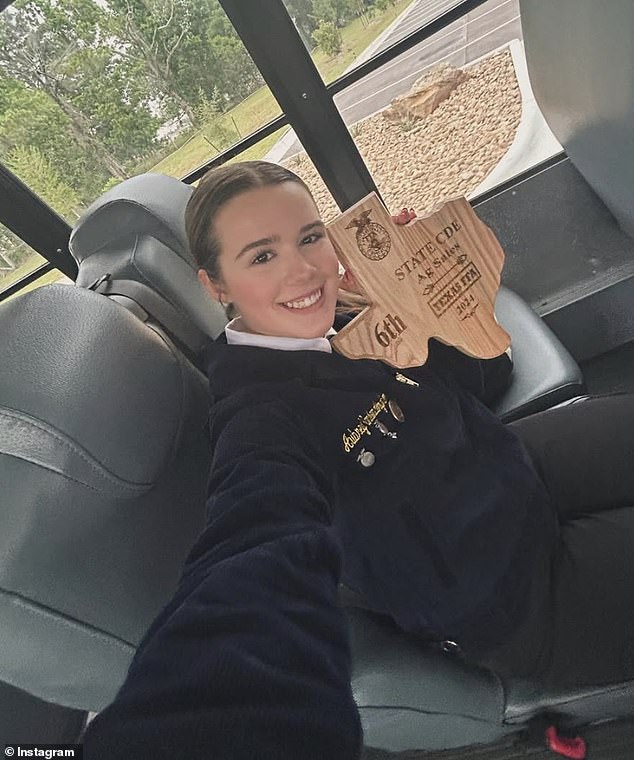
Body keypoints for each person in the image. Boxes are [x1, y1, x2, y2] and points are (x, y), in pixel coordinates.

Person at [83, 161, 634, 758]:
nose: (302, 270)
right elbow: (258, 539)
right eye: (262, 256)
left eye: (310, 237)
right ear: (216, 284)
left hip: (517, 469)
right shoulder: (259, 417)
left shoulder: (349, 311)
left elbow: (483, 377)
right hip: (516, 593)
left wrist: (427, 298)